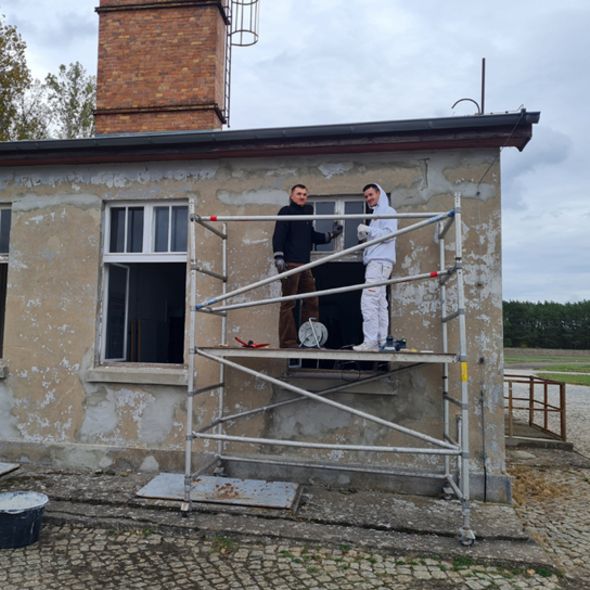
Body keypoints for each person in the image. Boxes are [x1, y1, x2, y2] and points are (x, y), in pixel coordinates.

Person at [272, 184, 342, 348]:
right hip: (290, 263)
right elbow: (278, 235)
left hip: (305, 264)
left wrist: (331, 235)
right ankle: (288, 342)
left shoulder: (307, 213)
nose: (302, 197)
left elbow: (310, 235)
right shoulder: (286, 212)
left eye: (304, 194)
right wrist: (279, 256)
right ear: (291, 195)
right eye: (299, 194)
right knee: (288, 303)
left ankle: (309, 339)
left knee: (312, 301)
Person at [353, 183, 398, 352]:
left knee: (369, 301)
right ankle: (381, 341)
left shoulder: (387, 211)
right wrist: (365, 236)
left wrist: (368, 230)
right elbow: (378, 238)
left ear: (379, 193)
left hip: (379, 262)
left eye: (371, 194)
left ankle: (370, 341)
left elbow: (388, 236)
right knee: (379, 302)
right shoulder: (377, 214)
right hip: (378, 262)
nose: (368, 198)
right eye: (366, 196)